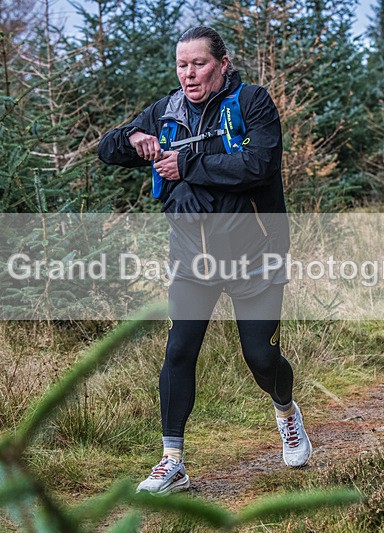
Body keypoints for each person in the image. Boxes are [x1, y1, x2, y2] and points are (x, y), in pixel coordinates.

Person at [97, 26, 311, 495]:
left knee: (259, 355)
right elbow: (106, 149)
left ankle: (286, 411)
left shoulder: (253, 102)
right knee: (179, 351)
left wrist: (187, 168)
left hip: (256, 255)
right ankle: (172, 459)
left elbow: (259, 165)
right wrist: (133, 137)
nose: (189, 74)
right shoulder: (167, 110)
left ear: (223, 63)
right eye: (182, 65)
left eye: (199, 64)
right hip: (192, 258)